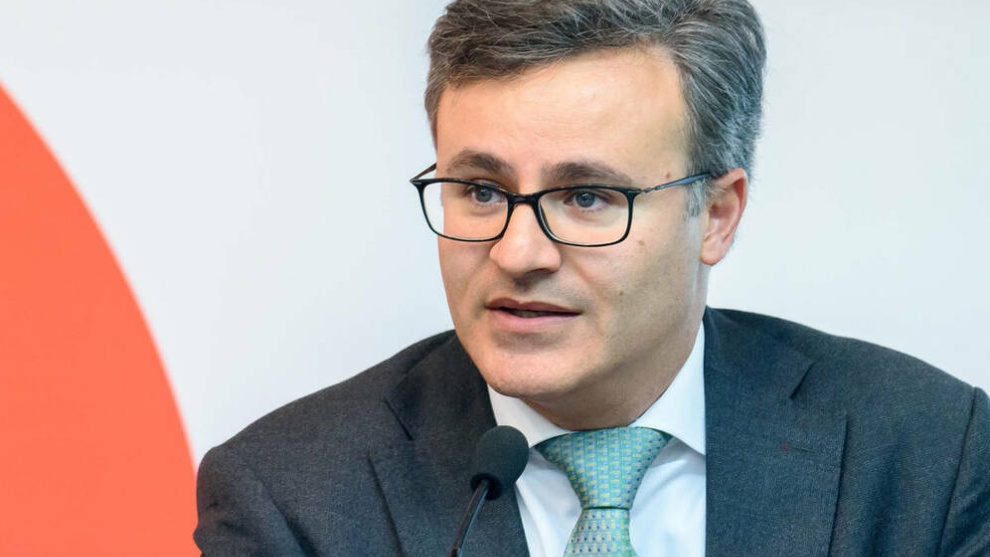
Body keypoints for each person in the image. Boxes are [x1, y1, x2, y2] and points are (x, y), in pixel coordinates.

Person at [194, 0, 990, 555]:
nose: (518, 253)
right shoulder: (292, 499)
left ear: (717, 215)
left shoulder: (928, 456)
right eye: (481, 191)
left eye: (585, 197)